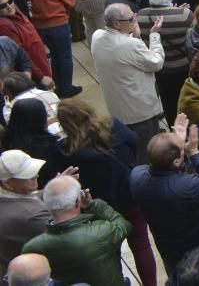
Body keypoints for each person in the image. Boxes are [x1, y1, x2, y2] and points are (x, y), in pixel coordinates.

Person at [54, 97, 158, 286]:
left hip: (96, 206)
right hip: (129, 197)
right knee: (141, 245)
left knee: (110, 253)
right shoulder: (113, 125)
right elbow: (134, 141)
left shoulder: (66, 150)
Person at [130, 113, 199, 278]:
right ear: (177, 162)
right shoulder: (187, 187)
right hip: (197, 251)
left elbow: (162, 164)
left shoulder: (136, 176)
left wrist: (174, 142)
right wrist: (194, 152)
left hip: (167, 248)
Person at [23, 174, 131, 286]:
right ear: (76, 202)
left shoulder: (31, 247)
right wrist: (92, 205)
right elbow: (123, 224)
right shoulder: (100, 232)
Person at [91, 2, 165, 165]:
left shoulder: (97, 36)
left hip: (118, 108)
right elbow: (156, 62)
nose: (135, 19)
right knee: (146, 152)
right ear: (117, 24)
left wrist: (135, 34)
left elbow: (124, 54)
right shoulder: (131, 45)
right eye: (132, 18)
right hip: (140, 111)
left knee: (129, 150)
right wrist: (154, 35)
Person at [136, 0, 194, 125]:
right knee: (187, 99)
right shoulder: (185, 14)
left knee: (168, 101)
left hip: (161, 68)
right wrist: (177, 10)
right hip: (183, 67)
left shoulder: (141, 15)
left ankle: (173, 127)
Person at [21, 0, 76, 97]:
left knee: (54, 56)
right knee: (64, 56)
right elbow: (71, 2)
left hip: (40, 27)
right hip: (58, 25)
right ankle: (67, 88)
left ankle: (58, 85)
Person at [0, 149, 51, 274]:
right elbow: (67, 237)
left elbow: (27, 197)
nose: (36, 176)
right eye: (28, 175)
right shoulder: (32, 215)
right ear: (8, 183)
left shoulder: (8, 196)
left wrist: (54, 188)